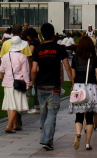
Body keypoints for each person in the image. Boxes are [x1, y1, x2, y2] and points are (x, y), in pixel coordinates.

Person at [31, 22, 73, 151]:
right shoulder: (59, 49)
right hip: (54, 86)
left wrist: (33, 83)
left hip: (41, 85)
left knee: (43, 113)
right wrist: (72, 82)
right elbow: (66, 66)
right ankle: (46, 139)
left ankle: (48, 139)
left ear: (42, 35)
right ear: (53, 34)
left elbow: (33, 69)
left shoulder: (38, 49)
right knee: (52, 113)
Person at [69, 35, 97, 151]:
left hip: (78, 88)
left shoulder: (75, 59)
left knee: (79, 116)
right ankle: (87, 143)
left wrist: (73, 86)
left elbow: (73, 76)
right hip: (91, 89)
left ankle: (78, 133)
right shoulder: (95, 59)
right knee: (90, 117)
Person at [0, 36, 32, 132]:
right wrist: (27, 84)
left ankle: (16, 124)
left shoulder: (5, 56)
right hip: (18, 83)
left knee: (12, 104)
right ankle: (9, 126)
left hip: (7, 83)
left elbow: (0, 69)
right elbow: (25, 73)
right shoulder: (23, 57)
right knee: (15, 105)